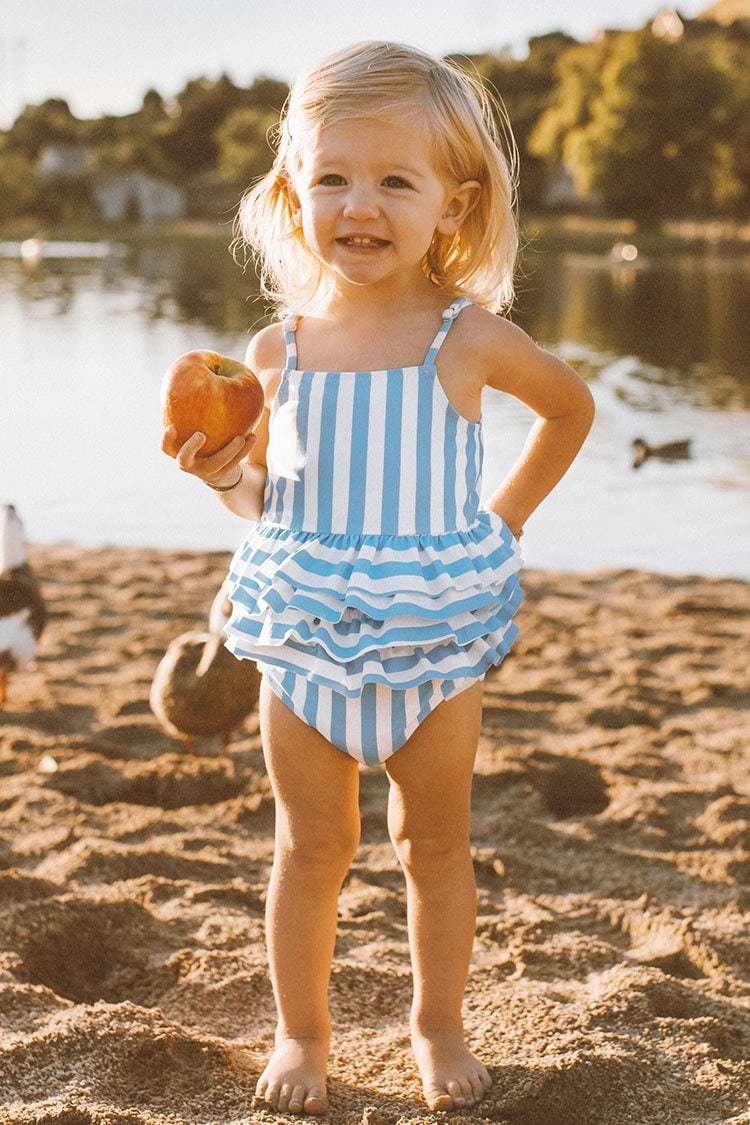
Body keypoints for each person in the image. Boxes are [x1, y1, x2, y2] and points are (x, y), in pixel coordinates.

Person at [161, 39, 594, 1118]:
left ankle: (436, 1024)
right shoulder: (277, 353)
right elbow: (267, 498)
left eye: (396, 181)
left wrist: (503, 522)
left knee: (433, 845)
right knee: (310, 847)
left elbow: (571, 408)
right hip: (304, 631)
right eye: (333, 178)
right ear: (292, 194)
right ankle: (302, 1034)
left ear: (455, 205)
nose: (360, 204)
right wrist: (224, 474)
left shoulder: (467, 337)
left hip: (432, 638)